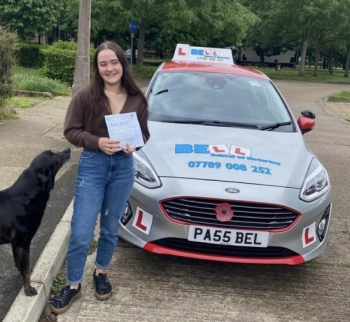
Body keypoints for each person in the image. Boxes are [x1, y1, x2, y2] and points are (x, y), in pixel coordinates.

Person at [51, 41, 150, 314]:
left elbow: (144, 134)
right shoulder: (85, 96)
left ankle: (100, 272)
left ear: (123, 63)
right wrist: (97, 142)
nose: (109, 68)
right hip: (93, 166)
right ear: (97, 68)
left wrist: (135, 145)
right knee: (82, 231)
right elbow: (71, 131)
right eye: (103, 63)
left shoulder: (137, 98)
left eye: (114, 62)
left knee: (110, 227)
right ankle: (72, 285)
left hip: (123, 168)